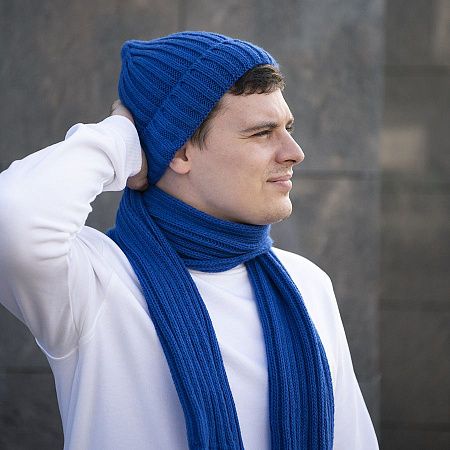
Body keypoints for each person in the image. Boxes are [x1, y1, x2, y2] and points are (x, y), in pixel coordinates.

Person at [0, 31, 378, 449]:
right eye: (261, 132)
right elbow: (14, 212)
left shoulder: (306, 285)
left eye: (288, 128)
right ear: (180, 152)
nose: (294, 152)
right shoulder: (96, 283)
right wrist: (121, 137)